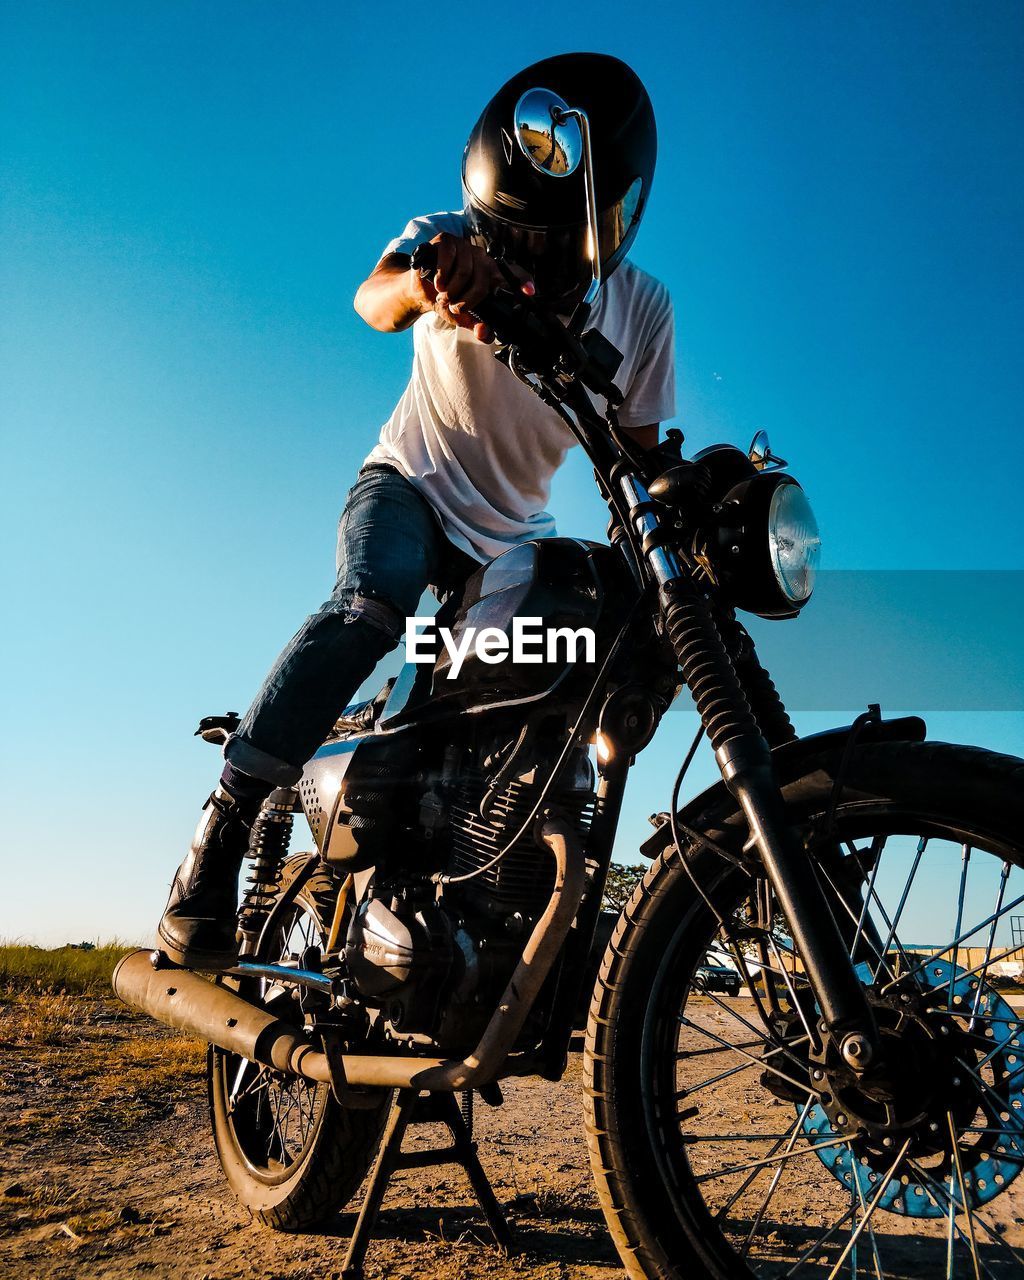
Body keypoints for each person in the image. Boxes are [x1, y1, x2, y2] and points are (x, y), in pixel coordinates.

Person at [157, 51, 675, 969]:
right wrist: (429, 279)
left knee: (564, 673)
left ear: (611, 223)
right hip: (408, 484)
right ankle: (224, 828)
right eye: (510, 240)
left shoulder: (641, 309)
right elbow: (375, 299)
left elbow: (641, 456)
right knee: (372, 600)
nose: (529, 261)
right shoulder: (446, 234)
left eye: (554, 244)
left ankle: (454, 901)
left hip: (509, 534)